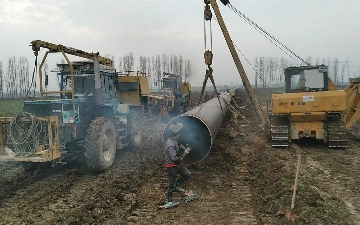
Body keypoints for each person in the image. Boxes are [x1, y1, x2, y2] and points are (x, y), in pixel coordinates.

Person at [159, 123, 191, 209]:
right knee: (171, 184)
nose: (179, 135)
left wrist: (182, 147)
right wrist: (184, 154)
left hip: (177, 165)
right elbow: (174, 158)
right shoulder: (170, 144)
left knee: (187, 174)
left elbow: (176, 148)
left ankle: (177, 185)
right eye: (179, 133)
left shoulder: (174, 141)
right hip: (172, 166)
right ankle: (169, 201)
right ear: (175, 135)